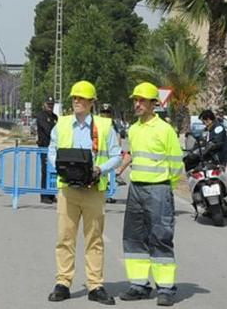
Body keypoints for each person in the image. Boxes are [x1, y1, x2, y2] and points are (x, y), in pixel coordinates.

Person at [46, 81, 121, 305]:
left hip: (93, 190)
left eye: (81, 98)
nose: (76, 101)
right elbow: (52, 150)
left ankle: (95, 285)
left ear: (91, 102)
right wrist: (61, 166)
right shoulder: (62, 124)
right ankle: (63, 283)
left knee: (94, 239)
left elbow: (117, 155)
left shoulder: (105, 126)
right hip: (68, 189)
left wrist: (100, 169)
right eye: (74, 98)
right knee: (65, 238)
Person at [120, 82, 183, 307]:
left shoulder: (165, 130)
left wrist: (167, 186)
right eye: (135, 100)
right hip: (136, 188)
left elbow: (176, 164)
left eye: (141, 100)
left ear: (153, 103)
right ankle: (139, 285)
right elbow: (131, 155)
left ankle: (165, 288)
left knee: (160, 238)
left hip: (159, 189)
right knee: (133, 237)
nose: (137, 104)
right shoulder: (133, 128)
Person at [36, 96, 59, 203]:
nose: (50, 106)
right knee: (45, 170)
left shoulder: (55, 117)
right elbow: (48, 129)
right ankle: (44, 195)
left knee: (53, 170)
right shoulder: (41, 116)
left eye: (52, 104)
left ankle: (51, 194)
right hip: (44, 147)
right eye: (48, 104)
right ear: (44, 104)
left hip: (54, 148)